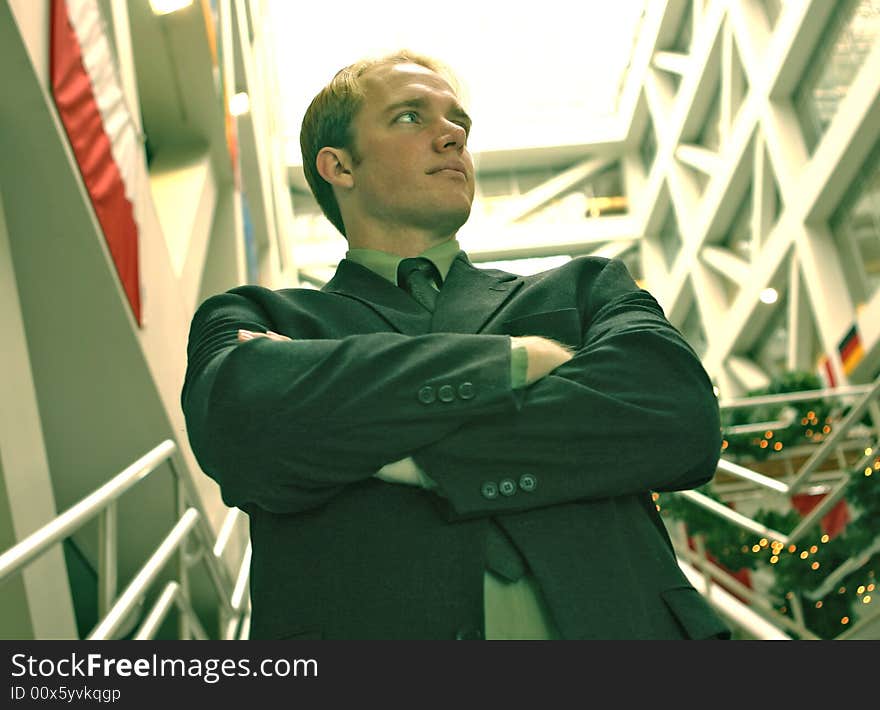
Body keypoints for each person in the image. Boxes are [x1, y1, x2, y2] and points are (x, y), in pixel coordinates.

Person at [181, 50, 731, 640]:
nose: (452, 136)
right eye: (410, 117)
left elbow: (679, 417)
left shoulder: (587, 285)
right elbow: (242, 430)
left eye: (458, 123)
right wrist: (512, 362)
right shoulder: (254, 314)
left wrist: (404, 456)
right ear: (339, 166)